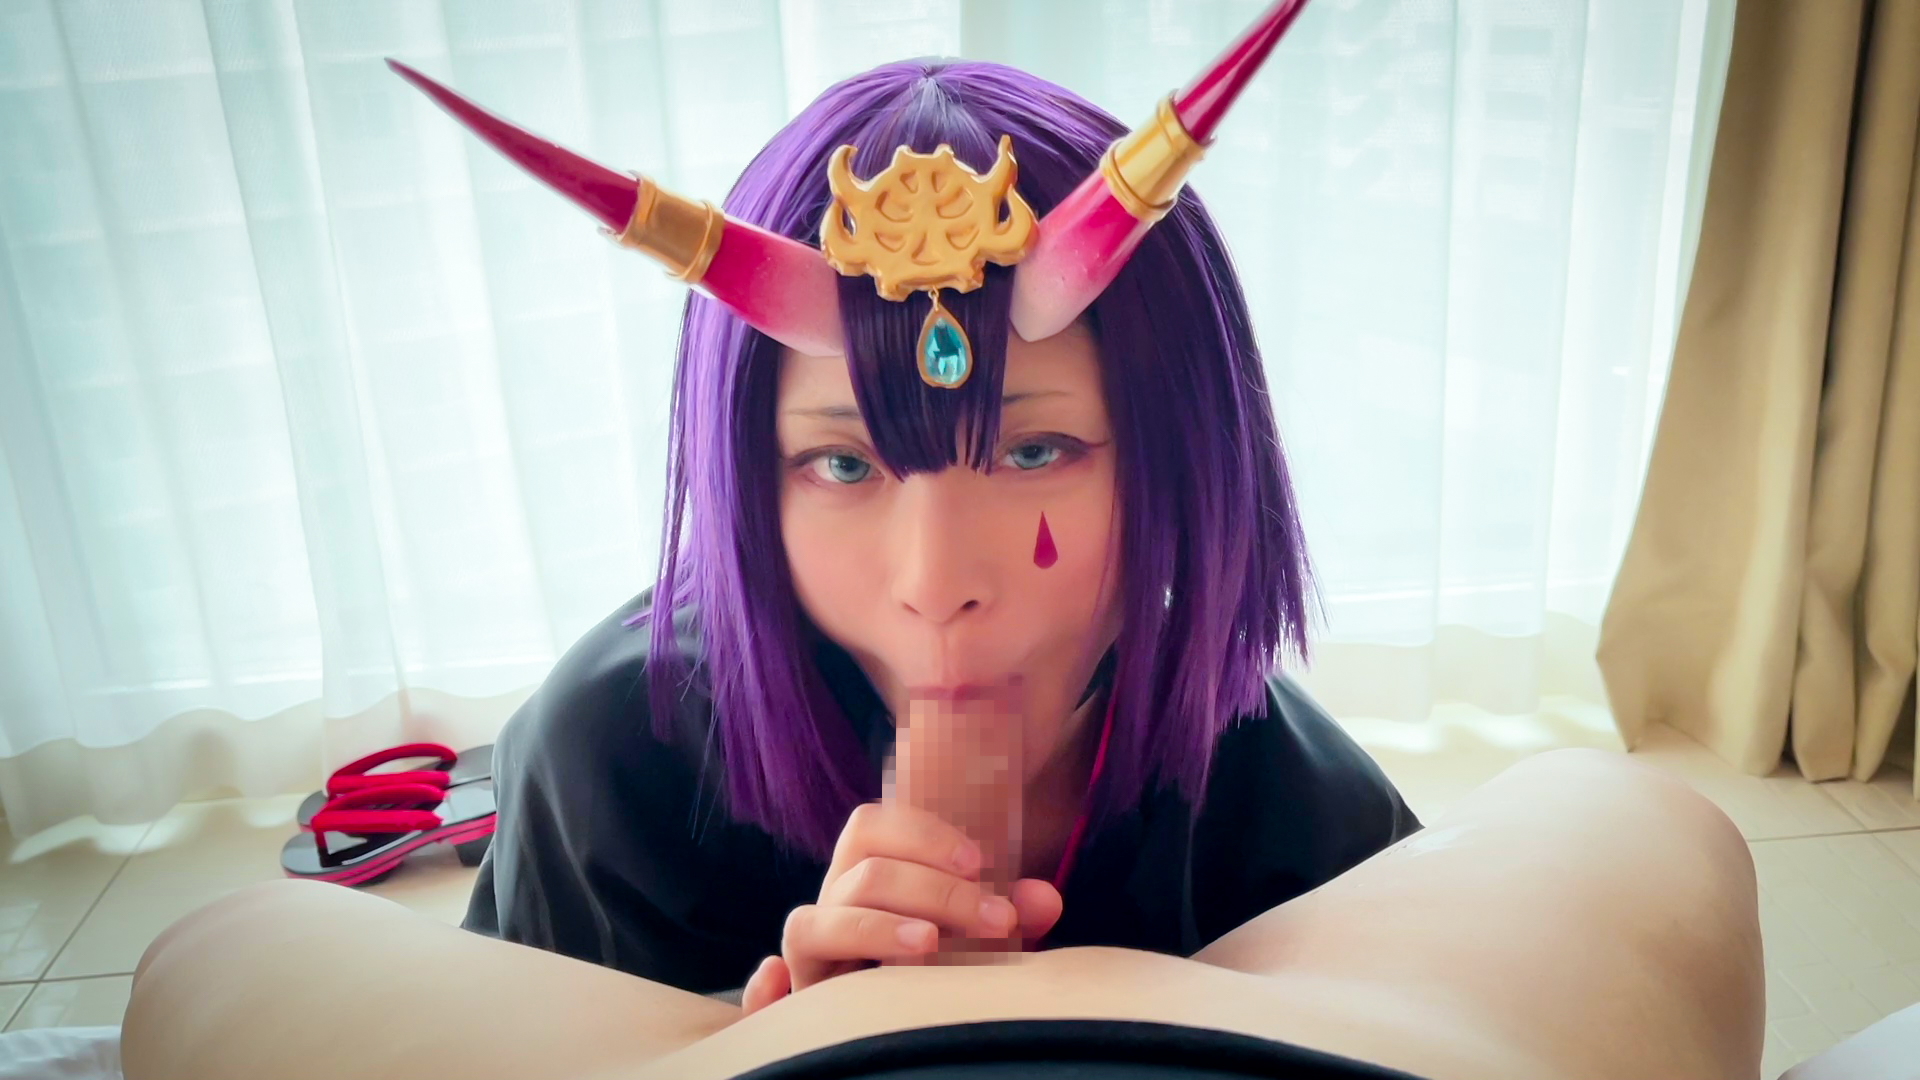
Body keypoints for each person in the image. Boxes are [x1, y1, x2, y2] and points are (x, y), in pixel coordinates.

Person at [119, 3, 1767, 1078]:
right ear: (746, 480)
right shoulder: (612, 760)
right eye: (842, 463)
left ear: (1182, 458)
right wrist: (753, 1037)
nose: (938, 579)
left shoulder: (1266, 773)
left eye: (1037, 450)